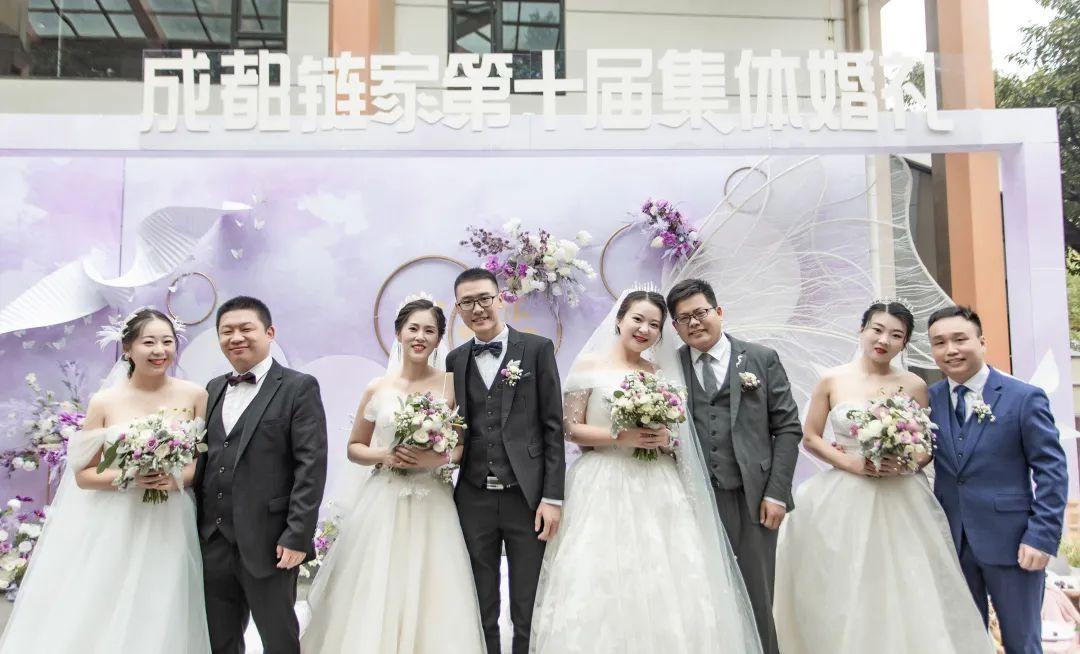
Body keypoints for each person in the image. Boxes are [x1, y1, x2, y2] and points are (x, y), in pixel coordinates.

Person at [529, 289, 762, 653]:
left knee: (664, 575)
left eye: (654, 325)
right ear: (619, 320)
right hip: (602, 481)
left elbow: (677, 434)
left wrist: (665, 438)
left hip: (658, 482)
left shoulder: (659, 373)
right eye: (637, 319)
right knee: (603, 575)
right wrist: (620, 436)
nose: (644, 330)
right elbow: (571, 429)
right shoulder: (589, 365)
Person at [773, 300, 995, 653]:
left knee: (907, 580)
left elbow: (927, 445)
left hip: (901, 493)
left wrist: (906, 464)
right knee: (844, 580)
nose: (883, 340)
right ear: (861, 330)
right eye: (877, 330)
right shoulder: (832, 379)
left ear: (904, 343)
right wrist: (851, 464)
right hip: (843, 495)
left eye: (896, 335)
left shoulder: (914, 384)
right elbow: (811, 437)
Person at [0, 308, 210, 653]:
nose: (160, 350)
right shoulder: (105, 401)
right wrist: (132, 477)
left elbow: (197, 464)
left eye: (167, 341)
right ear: (128, 349)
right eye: (149, 342)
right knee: (103, 599)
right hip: (116, 519)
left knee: (161, 600)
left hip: (170, 517)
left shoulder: (195, 395)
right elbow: (84, 475)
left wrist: (173, 478)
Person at [301, 297, 485, 653]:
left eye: (429, 331)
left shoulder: (451, 385)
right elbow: (355, 447)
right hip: (383, 498)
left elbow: (462, 447)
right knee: (377, 583)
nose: (420, 337)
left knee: (432, 584)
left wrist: (433, 460)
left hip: (433, 501)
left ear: (439, 339)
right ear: (399, 333)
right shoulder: (377, 387)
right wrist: (386, 455)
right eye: (413, 329)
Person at [665, 278, 802, 654]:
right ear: (675, 327)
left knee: (757, 599)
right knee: (703, 599)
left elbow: (788, 428)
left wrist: (776, 493)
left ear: (719, 312)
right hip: (695, 499)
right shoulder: (670, 368)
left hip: (753, 498)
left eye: (700, 313)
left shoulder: (760, 358)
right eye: (683, 319)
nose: (694, 323)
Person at [928, 305, 1068, 654]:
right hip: (951, 542)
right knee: (965, 643)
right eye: (939, 342)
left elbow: (1051, 470)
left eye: (960, 339)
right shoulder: (927, 399)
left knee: (1022, 643)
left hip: (1014, 543)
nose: (950, 350)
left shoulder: (1024, 397)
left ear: (982, 341)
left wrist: (1042, 537)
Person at [195, 296, 327, 654]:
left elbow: (310, 466)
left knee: (279, 639)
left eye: (246, 328)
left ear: (269, 333)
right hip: (213, 540)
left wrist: (298, 534)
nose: (236, 337)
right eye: (227, 331)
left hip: (271, 541)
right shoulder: (212, 389)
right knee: (218, 641)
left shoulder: (298, 387)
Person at [447, 268, 565, 654]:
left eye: (484, 298)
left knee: (526, 601)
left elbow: (552, 428)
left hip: (526, 497)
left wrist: (552, 498)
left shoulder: (537, 349)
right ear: (458, 309)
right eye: (467, 302)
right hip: (473, 496)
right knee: (480, 601)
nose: (478, 308)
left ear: (500, 299)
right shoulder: (455, 359)